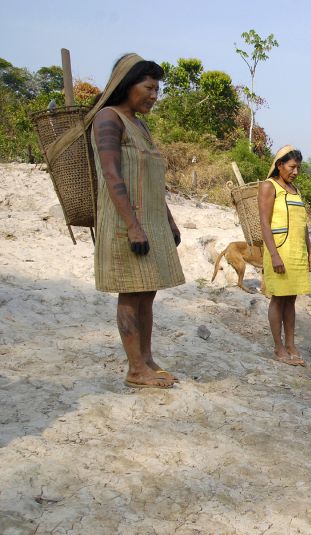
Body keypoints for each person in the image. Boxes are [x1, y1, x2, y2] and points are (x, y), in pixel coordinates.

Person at [90, 53, 185, 389]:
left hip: (151, 221)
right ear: (127, 84)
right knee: (131, 294)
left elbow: (152, 180)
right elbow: (112, 175)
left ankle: (146, 359)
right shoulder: (108, 118)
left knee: (148, 293)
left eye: (157, 89)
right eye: (149, 87)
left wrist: (169, 222)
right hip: (124, 221)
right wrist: (132, 224)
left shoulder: (140, 125)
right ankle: (135, 370)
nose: (154, 95)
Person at [258, 145, 311, 366]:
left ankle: (291, 344)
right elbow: (264, 223)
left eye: (298, 168)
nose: (295, 172)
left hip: (297, 251)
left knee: (291, 299)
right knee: (278, 298)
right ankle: (279, 347)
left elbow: (304, 225)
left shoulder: (295, 190)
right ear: (279, 165)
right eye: (292, 167)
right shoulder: (269, 186)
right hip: (279, 249)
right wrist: (273, 255)